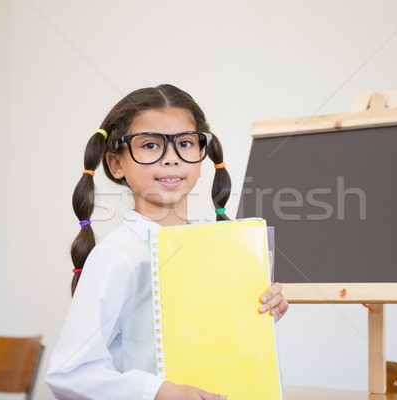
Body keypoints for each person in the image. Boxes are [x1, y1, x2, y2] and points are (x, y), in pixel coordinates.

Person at [45, 84, 289, 400]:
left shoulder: (218, 250)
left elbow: (218, 348)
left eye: (185, 143)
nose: (171, 159)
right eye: (149, 145)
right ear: (116, 164)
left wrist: (260, 314)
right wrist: (157, 391)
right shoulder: (116, 255)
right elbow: (68, 372)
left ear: (203, 157)